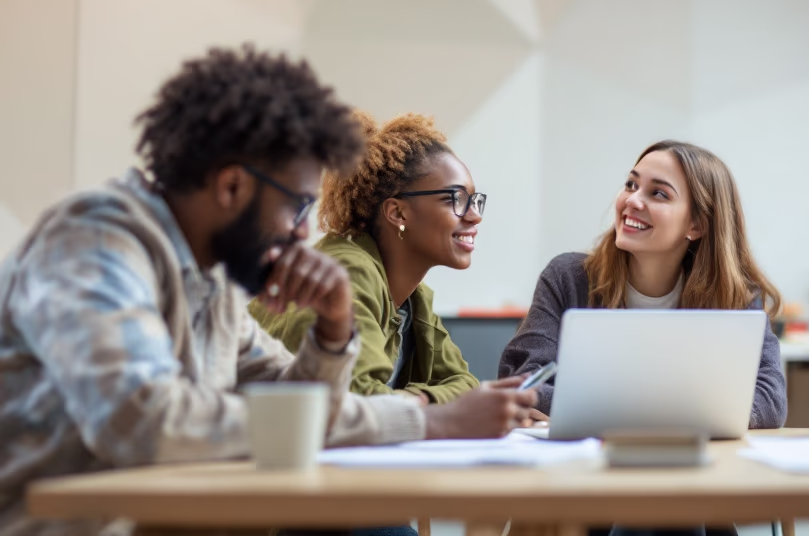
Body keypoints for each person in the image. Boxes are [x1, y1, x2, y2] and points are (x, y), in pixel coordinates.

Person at [0, 47, 536, 536]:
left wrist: (332, 334)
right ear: (232, 186)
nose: (306, 233)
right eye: (298, 207)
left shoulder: (213, 280)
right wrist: (429, 420)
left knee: (367, 521)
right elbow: (143, 422)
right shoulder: (95, 243)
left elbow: (296, 405)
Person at [500, 139, 787, 430]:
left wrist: (599, 411)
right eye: (631, 185)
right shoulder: (567, 278)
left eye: (658, 193)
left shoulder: (732, 295)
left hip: (699, 466)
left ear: (697, 225)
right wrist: (679, 413)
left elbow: (770, 401)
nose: (632, 201)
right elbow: (523, 384)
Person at [252, 111, 483, 405]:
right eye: (456, 199)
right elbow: (359, 402)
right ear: (398, 213)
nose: (474, 216)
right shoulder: (347, 271)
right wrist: (427, 402)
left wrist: (418, 400)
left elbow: (468, 386)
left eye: (475, 201)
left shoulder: (414, 300)